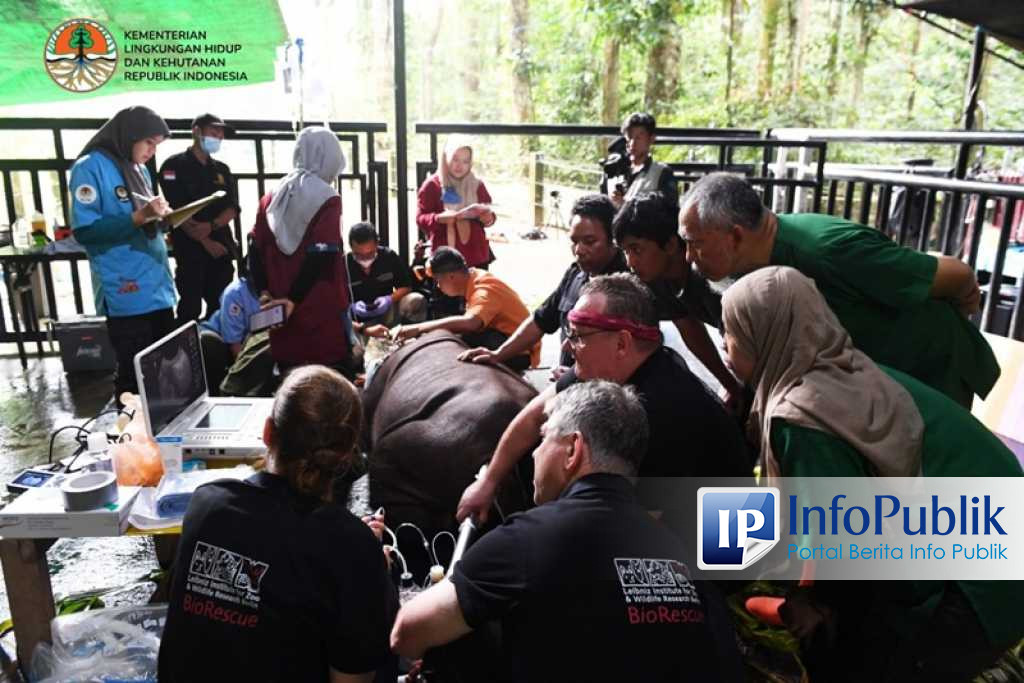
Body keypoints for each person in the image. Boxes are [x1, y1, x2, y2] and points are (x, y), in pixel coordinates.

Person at [721, 265, 1023, 682]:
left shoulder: (804, 414)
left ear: (766, 335)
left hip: (980, 580)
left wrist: (803, 604)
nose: (725, 344)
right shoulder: (847, 370)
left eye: (732, 332)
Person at [392, 381, 742, 683]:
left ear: (573, 450)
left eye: (543, 440)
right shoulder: (679, 549)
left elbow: (406, 633)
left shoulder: (527, 539)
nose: (536, 455)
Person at [159, 365, 398, 682]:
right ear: (344, 457)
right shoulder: (350, 545)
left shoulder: (207, 503)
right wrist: (371, 575)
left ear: (268, 431)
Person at [679, 172, 998, 407]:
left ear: (734, 237)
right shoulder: (752, 266)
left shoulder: (828, 251)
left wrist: (969, 296)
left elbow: (956, 274)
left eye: (695, 244)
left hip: (927, 367)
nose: (689, 257)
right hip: (866, 382)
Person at [456, 273, 751, 525]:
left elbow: (644, 527)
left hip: (723, 551)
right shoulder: (602, 367)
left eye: (578, 336)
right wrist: (488, 481)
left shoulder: (666, 409)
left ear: (622, 343)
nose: (569, 348)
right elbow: (535, 415)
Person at [69, 106, 176, 402]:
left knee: (165, 374)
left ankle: (162, 442)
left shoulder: (137, 169)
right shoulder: (89, 167)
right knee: (133, 378)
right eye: (149, 143)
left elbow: (142, 215)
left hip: (157, 287)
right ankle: (130, 445)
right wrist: (140, 217)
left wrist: (162, 216)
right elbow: (86, 231)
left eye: (157, 146)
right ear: (129, 135)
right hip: (127, 290)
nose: (152, 152)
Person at [458, 193, 627, 376]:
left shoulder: (628, 287)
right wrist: (497, 355)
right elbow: (541, 321)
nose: (579, 250)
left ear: (613, 240)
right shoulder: (575, 274)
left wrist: (577, 375)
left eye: (589, 242)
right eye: (574, 242)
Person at [613, 192, 743, 408]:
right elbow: (691, 330)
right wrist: (730, 385)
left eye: (636, 249)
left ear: (671, 244)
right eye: (626, 251)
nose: (630, 261)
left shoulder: (710, 271)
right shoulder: (659, 277)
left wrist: (741, 388)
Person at [247, 126, 353, 375]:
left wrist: (264, 292)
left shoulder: (272, 195)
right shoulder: (327, 197)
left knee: (290, 375)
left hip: (279, 308)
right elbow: (322, 254)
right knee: (327, 379)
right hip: (317, 305)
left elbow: (254, 246)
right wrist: (294, 300)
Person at [394, 247, 539, 371]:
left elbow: (470, 323)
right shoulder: (474, 276)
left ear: (451, 276)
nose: (438, 286)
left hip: (518, 351)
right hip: (501, 338)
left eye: (438, 281)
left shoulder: (484, 290)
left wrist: (419, 328)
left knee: (458, 343)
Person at [158, 113, 240, 322]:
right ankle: (189, 352)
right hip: (190, 250)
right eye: (214, 133)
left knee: (222, 306)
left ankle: (220, 352)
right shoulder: (173, 166)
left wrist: (212, 226)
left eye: (221, 136)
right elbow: (177, 210)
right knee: (189, 308)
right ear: (196, 131)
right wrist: (204, 240)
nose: (218, 139)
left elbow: (232, 207)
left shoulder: (221, 169)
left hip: (220, 248)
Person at [416, 135, 496, 269]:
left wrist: (489, 218)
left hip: (476, 256)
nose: (460, 166)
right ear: (445, 157)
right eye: (455, 159)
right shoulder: (433, 185)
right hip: (445, 260)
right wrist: (439, 218)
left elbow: (489, 213)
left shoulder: (477, 185)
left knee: (476, 290)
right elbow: (420, 218)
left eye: (465, 161)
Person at [346, 221, 425, 338]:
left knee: (416, 300)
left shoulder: (389, 256)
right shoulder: (344, 265)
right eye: (359, 254)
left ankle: (412, 338)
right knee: (358, 352)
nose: (365, 259)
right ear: (351, 248)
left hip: (387, 312)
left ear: (377, 244)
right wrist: (351, 307)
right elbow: (334, 304)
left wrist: (388, 299)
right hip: (358, 321)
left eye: (370, 253)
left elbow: (406, 287)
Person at [199, 272, 273, 397]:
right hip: (224, 344)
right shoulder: (235, 293)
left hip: (251, 342)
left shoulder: (280, 289)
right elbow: (235, 346)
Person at [609, 112, 678, 211]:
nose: (632, 143)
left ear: (651, 139)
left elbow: (668, 206)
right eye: (630, 137)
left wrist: (627, 204)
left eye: (638, 138)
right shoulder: (616, 171)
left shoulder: (661, 172)